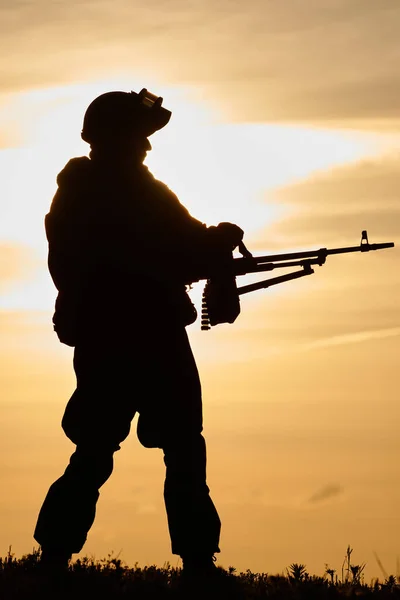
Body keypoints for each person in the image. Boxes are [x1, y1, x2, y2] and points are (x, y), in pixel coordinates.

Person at [33, 88, 244, 576]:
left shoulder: (126, 189)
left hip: (137, 333)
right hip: (130, 336)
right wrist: (212, 244)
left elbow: (182, 240)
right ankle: (61, 555)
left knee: (160, 447)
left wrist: (214, 242)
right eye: (139, 137)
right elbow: (161, 247)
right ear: (114, 138)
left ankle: (191, 560)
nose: (147, 147)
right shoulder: (100, 192)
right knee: (129, 446)